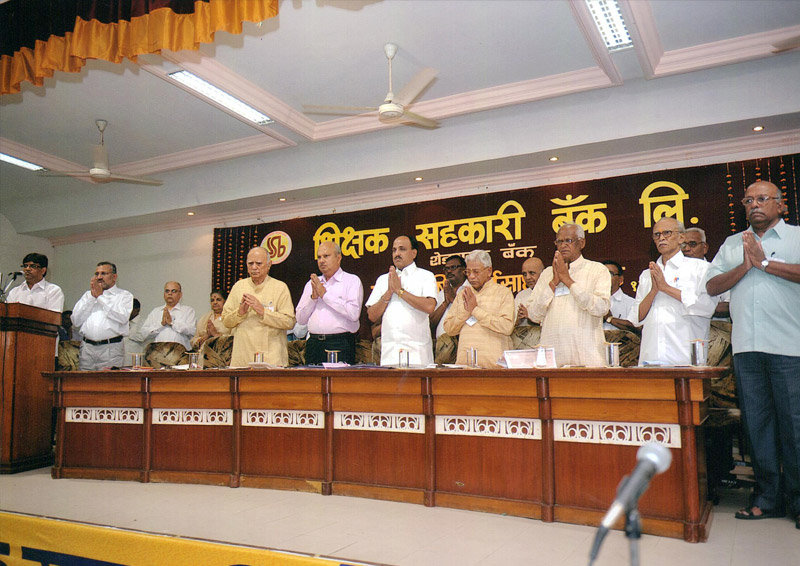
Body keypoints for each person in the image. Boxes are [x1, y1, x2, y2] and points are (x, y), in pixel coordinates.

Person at [706, 180, 800, 526]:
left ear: (781, 204)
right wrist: (745, 266)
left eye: (762, 198)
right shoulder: (733, 244)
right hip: (746, 348)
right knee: (757, 427)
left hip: (790, 347)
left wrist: (764, 264)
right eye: (749, 200)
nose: (755, 205)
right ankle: (767, 498)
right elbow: (712, 286)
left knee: (795, 427)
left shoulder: (796, 238)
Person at [630, 217, 715, 365]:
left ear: (681, 238)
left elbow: (707, 307)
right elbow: (636, 318)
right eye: (657, 235)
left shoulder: (700, 268)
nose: (661, 238)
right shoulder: (647, 274)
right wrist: (654, 291)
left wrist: (666, 288)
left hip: (685, 357)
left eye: (667, 233)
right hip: (651, 356)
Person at [526, 223, 610, 367]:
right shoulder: (547, 274)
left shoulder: (597, 270)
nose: (563, 245)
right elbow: (533, 315)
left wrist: (568, 280)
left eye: (568, 241)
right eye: (559, 241)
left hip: (587, 358)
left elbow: (601, 308)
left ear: (582, 243)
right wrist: (553, 282)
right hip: (553, 360)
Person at [366, 235, 437, 366]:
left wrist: (400, 291)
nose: (397, 254)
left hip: (418, 353)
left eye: (402, 249)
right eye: (394, 250)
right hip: (390, 354)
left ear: (414, 253)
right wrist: (389, 292)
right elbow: (372, 315)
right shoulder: (383, 279)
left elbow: (429, 306)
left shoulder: (426, 276)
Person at [222, 247, 296, 367]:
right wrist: (240, 313)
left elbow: (289, 322)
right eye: (250, 263)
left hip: (272, 359)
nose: (254, 267)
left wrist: (263, 311)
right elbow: (226, 321)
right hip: (242, 359)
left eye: (259, 263)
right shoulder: (238, 287)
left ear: (269, 265)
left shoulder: (280, 287)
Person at [295, 241, 364, 365]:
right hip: (314, 345)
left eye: (326, 256)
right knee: (312, 378)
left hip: (340, 343)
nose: (321, 261)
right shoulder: (311, 284)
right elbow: (300, 319)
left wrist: (325, 295)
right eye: (319, 257)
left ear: (338, 258)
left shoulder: (351, 281)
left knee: (339, 379)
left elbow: (354, 314)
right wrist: (313, 298)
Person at [443, 250, 514, 368]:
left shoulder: (503, 293)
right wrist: (466, 313)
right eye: (468, 272)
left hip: (494, 367)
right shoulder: (463, 294)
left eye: (476, 272)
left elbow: (507, 327)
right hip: (464, 366)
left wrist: (475, 310)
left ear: (489, 271)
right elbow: (449, 328)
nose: (471, 276)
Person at [71, 261, 134, 370]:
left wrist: (100, 297)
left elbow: (122, 318)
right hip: (87, 349)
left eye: (104, 273)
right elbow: (75, 321)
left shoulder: (124, 295)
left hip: (111, 349)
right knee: (85, 380)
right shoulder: (87, 295)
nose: (99, 277)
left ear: (114, 277)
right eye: (97, 274)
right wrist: (92, 297)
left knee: (109, 380)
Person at [683, 227, 730, 318]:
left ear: (705, 248)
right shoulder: (674, 272)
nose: (686, 249)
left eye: (692, 244)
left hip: (713, 324)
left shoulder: (717, 272)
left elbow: (730, 305)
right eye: (683, 245)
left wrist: (700, 307)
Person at [139, 282, 196, 351]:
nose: (170, 294)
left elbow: (192, 331)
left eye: (173, 291)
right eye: (167, 291)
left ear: (180, 294)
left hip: (180, 353)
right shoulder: (156, 311)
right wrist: (161, 325)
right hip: (158, 353)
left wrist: (172, 323)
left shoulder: (188, 311)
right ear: (164, 294)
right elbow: (144, 333)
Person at [429, 255, 469, 337]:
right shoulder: (442, 293)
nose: (449, 271)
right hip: (442, 343)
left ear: (464, 269)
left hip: (464, 340)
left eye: (453, 267)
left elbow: (474, 318)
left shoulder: (471, 290)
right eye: (446, 268)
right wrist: (445, 303)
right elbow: (431, 323)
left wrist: (454, 301)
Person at [601, 260, 637, 332]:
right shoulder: (592, 302)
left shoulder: (631, 303)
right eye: (602, 274)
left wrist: (609, 318)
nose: (605, 277)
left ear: (620, 279)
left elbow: (636, 329)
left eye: (610, 274)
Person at [515, 257, 544, 326]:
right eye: (524, 274)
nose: (527, 277)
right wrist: (518, 320)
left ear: (542, 273)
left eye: (532, 273)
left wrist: (530, 317)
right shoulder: (521, 296)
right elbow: (512, 326)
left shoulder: (550, 293)